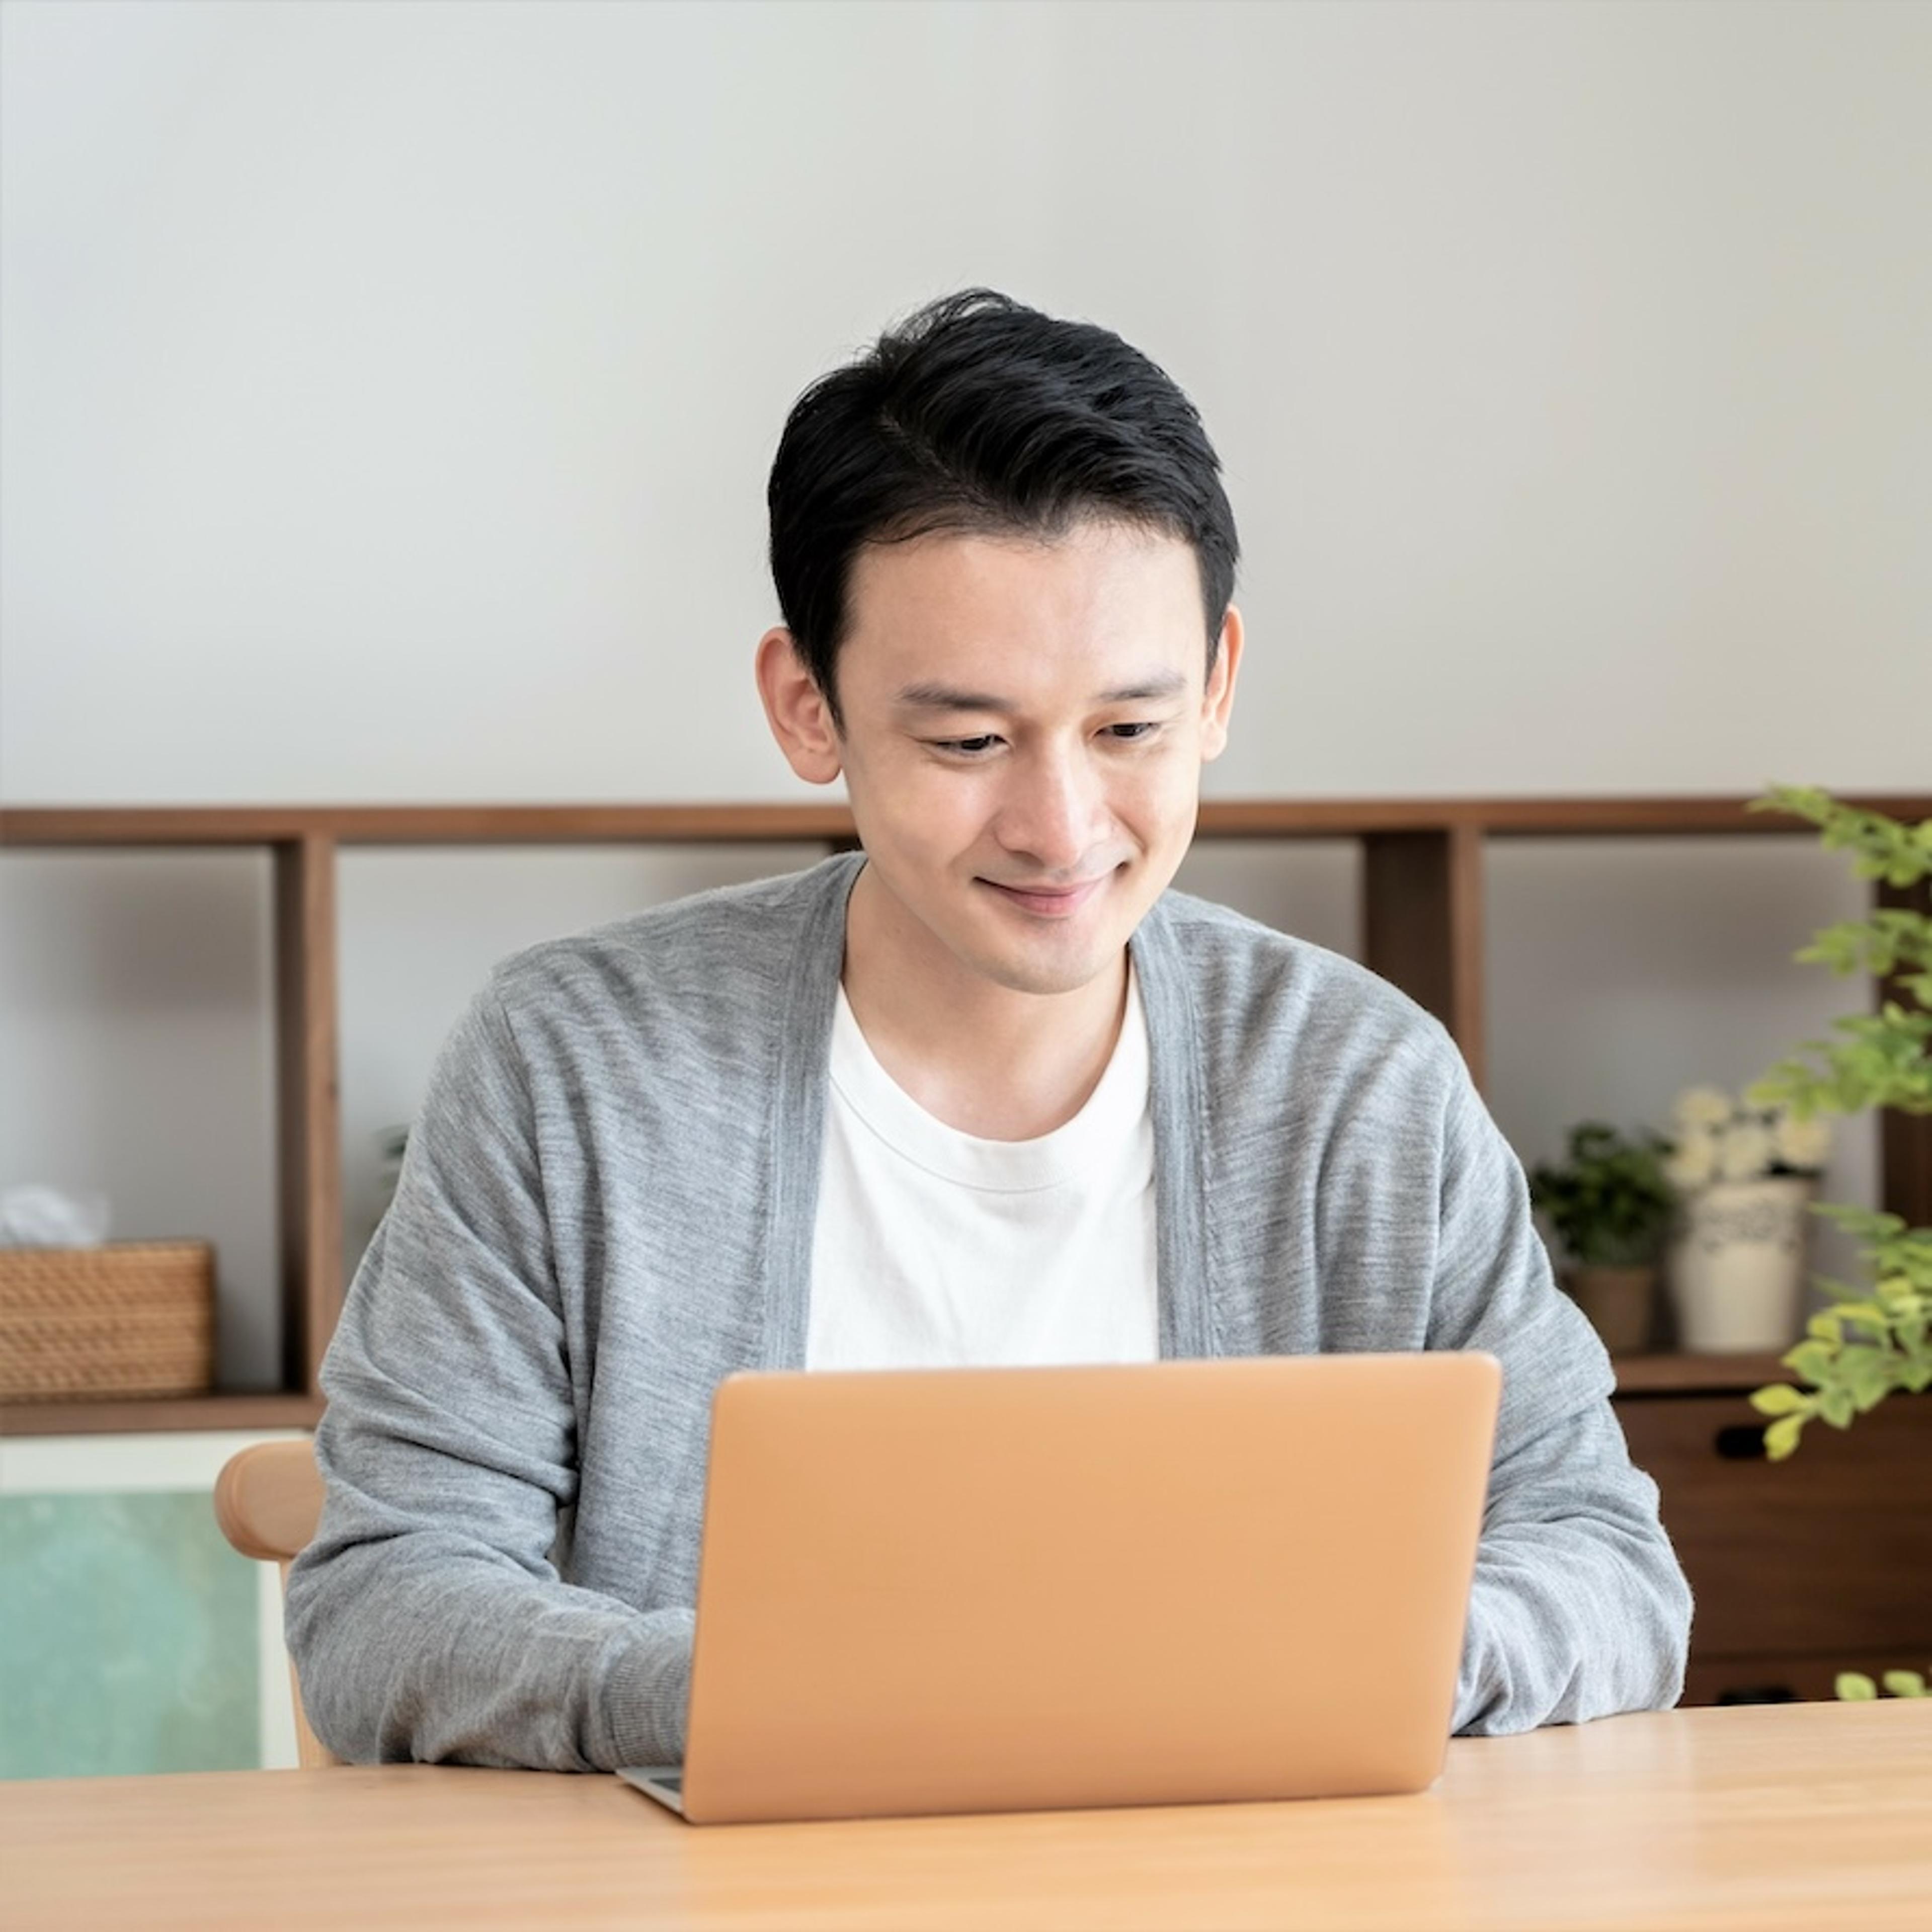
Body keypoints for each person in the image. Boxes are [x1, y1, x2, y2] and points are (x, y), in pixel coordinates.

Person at [286, 290, 1692, 1769]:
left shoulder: (1354, 1083)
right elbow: (387, 1601)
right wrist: (781, 1700)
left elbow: (1602, 1563)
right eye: (969, 741)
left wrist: (1329, 1661)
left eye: (1129, 730)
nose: (1061, 825)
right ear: (806, 707)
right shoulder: (576, 1067)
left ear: (1217, 683)